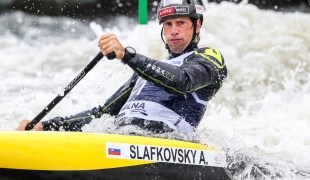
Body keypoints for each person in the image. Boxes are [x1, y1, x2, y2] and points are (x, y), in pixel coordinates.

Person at [16, 0, 227, 134]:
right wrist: (45, 126)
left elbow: (183, 81)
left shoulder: (209, 57)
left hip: (166, 145)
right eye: (168, 24)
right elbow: (102, 115)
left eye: (181, 23)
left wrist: (127, 55)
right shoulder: (147, 72)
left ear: (197, 25)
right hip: (121, 139)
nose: (173, 30)